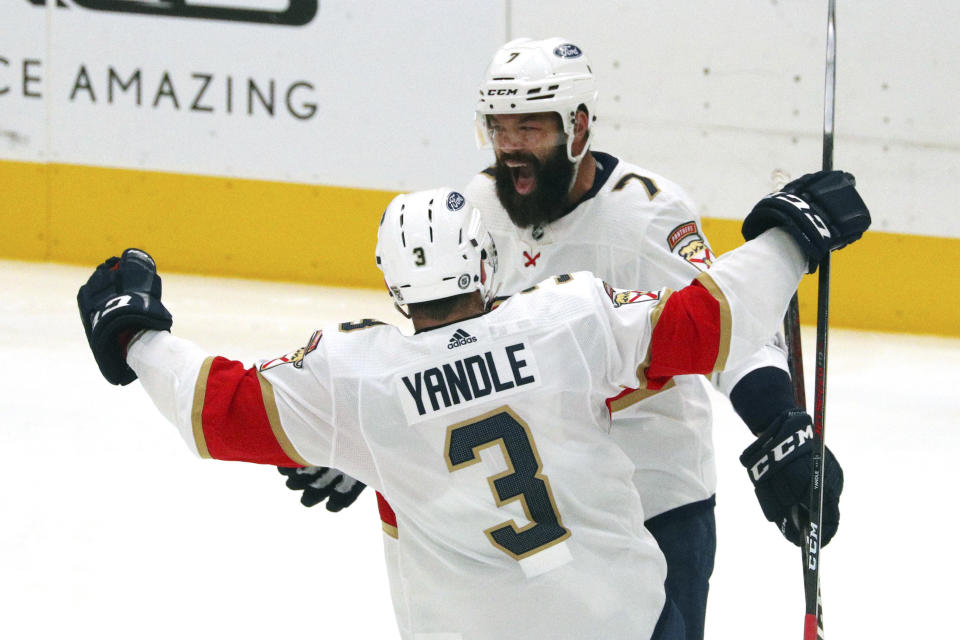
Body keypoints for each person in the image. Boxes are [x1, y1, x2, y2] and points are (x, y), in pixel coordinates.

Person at [78, 176, 868, 640]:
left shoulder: (356, 379)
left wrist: (135, 335)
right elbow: (708, 326)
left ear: (391, 282)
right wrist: (792, 237)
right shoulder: (569, 318)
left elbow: (217, 412)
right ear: (486, 262)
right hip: (617, 624)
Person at [282, 38, 849, 639]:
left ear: (577, 126)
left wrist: (778, 420)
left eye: (529, 127)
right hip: (554, 502)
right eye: (499, 128)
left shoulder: (646, 214)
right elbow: (448, 352)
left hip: (656, 492)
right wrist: (374, 439)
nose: (511, 148)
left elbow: (727, 325)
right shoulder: (478, 209)